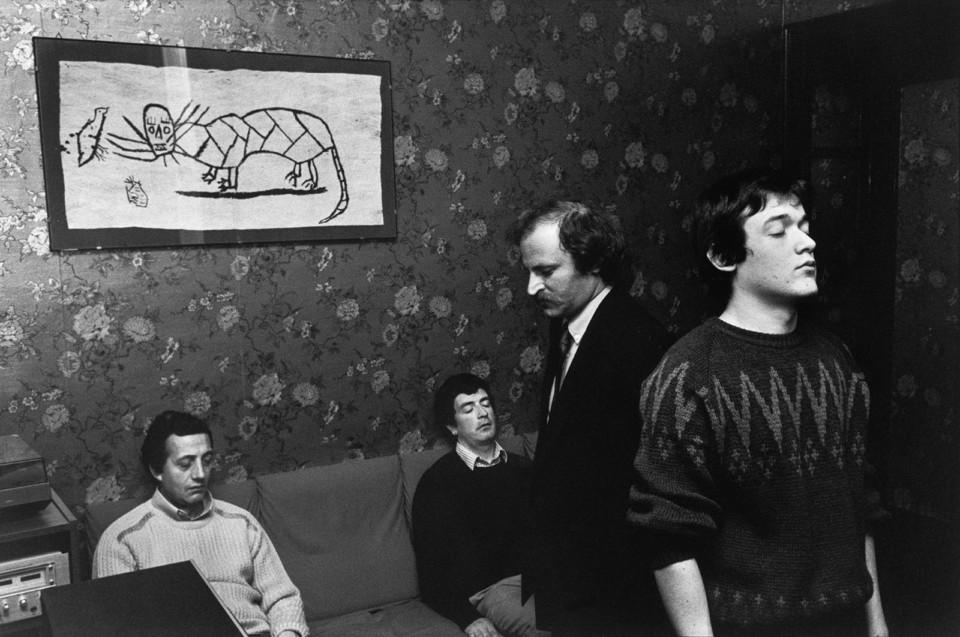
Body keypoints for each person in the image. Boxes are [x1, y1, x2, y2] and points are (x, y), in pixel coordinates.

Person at [627, 168, 889, 636]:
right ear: (723, 255)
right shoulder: (688, 374)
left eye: (804, 226)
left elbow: (859, 505)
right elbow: (668, 536)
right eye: (780, 230)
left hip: (846, 621)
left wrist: (878, 626)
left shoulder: (837, 358)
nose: (807, 243)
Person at [513, 201, 672, 635]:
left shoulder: (639, 342)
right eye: (529, 272)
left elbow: (650, 483)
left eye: (546, 271)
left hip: (613, 589)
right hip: (570, 578)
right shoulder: (567, 322)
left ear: (595, 261)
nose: (532, 287)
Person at [93, 410, 308, 637]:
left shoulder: (241, 523)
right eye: (186, 464)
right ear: (157, 469)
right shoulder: (122, 539)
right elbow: (116, 626)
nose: (200, 474)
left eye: (206, 461)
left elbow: (283, 598)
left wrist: (288, 634)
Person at [412, 373, 541, 637]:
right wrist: (467, 618)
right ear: (452, 427)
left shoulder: (524, 468)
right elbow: (430, 570)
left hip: (543, 577)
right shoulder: (438, 482)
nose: (482, 414)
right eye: (468, 409)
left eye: (485, 404)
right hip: (494, 590)